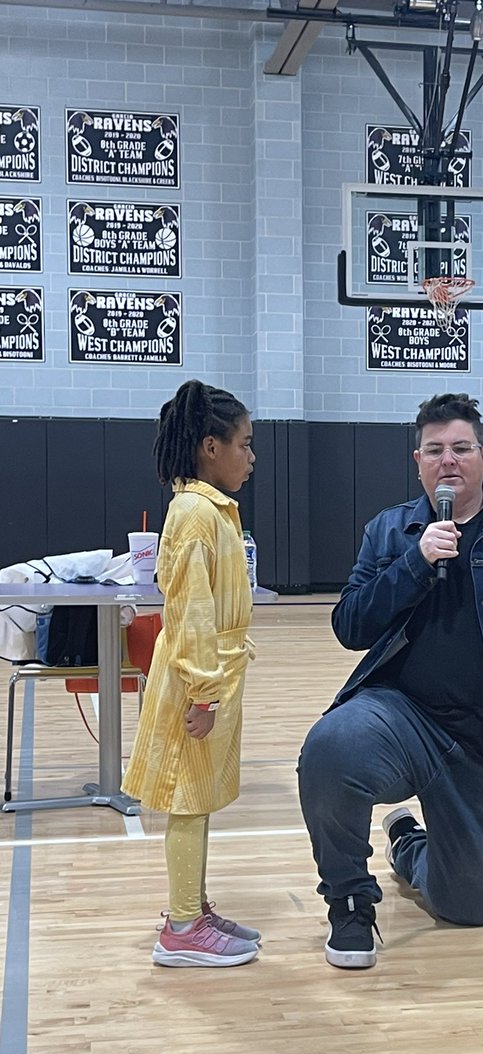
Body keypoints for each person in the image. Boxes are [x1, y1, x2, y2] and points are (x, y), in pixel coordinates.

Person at [298, 393, 483, 969]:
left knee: (469, 908)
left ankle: (409, 842)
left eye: (461, 448)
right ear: (418, 461)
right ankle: (350, 903)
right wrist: (414, 561)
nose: (449, 461)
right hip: (405, 720)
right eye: (435, 450)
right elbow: (350, 626)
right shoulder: (391, 530)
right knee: (330, 749)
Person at [122, 379, 261, 967]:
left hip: (215, 675)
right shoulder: (192, 514)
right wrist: (203, 692)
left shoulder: (210, 510)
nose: (251, 457)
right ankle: (180, 929)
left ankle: (193, 908)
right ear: (210, 446)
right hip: (194, 680)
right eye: (244, 444)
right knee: (186, 799)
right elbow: (192, 614)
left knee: (198, 797)